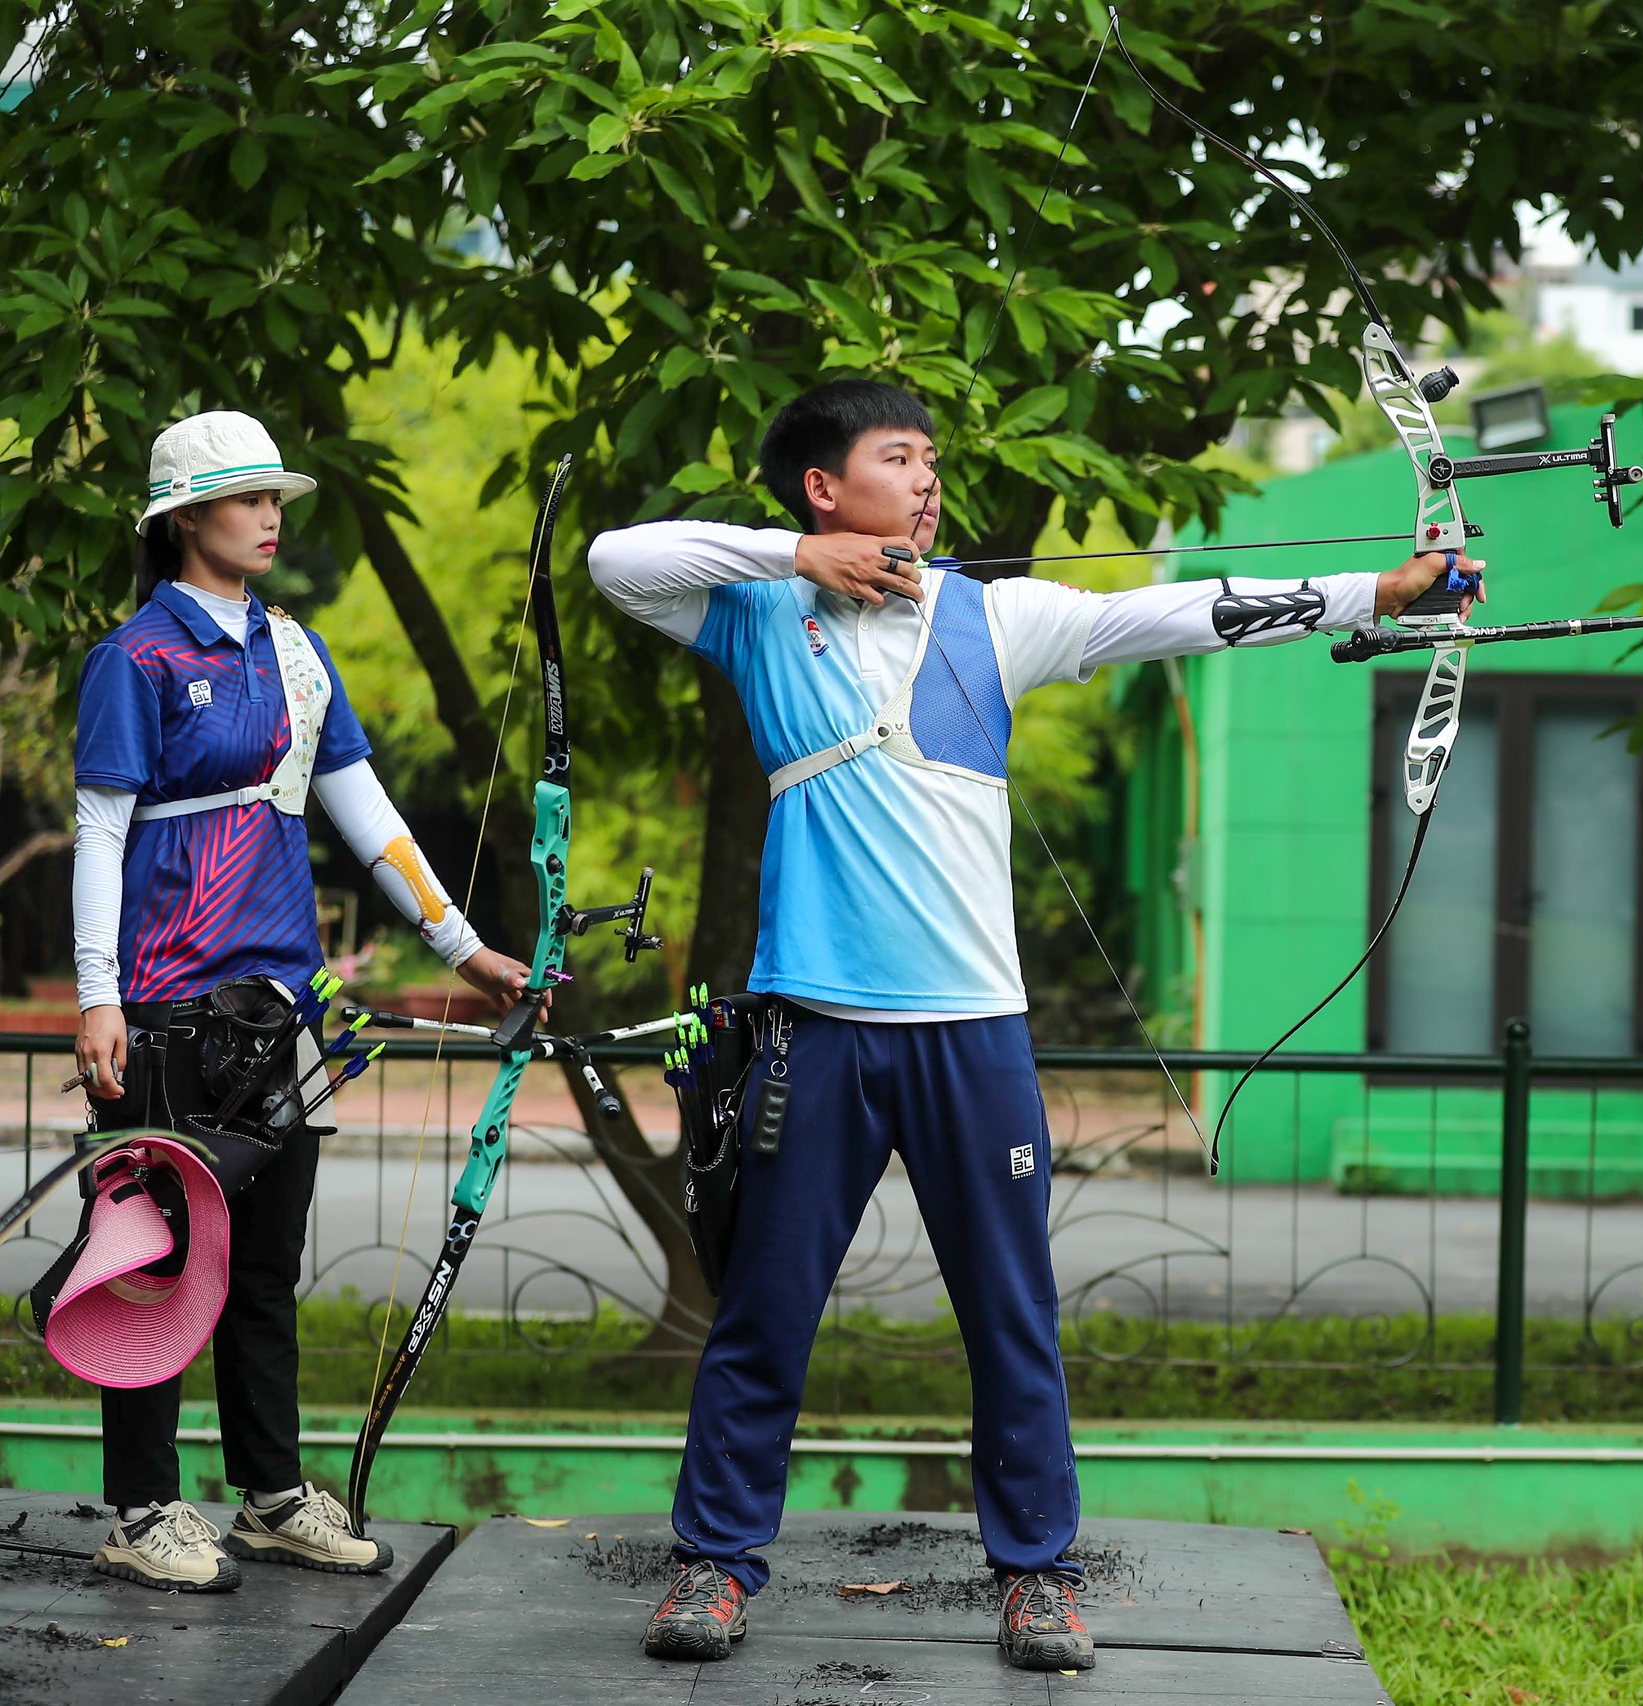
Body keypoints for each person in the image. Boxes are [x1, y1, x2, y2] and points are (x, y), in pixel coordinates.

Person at [590, 379, 1480, 1668]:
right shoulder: (756, 616)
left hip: (973, 1034)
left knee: (1011, 1310)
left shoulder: (996, 617)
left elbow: (1183, 612)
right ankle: (715, 1562)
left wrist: (1386, 592)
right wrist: (799, 554)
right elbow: (621, 558)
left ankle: (1037, 1573)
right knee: (765, 1309)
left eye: (934, 459)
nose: (929, 478)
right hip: (815, 1027)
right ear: (825, 486)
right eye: (898, 458)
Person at [70, 410, 537, 1592]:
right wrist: (97, 995)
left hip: (282, 1006)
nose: (271, 514)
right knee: (154, 1264)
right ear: (184, 517)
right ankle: (138, 1508)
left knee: (262, 1267)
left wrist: (466, 944)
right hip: (170, 1002)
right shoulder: (138, 658)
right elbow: (100, 829)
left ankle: (271, 1494)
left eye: (277, 496)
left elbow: (366, 813)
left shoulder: (295, 650)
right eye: (245, 498)